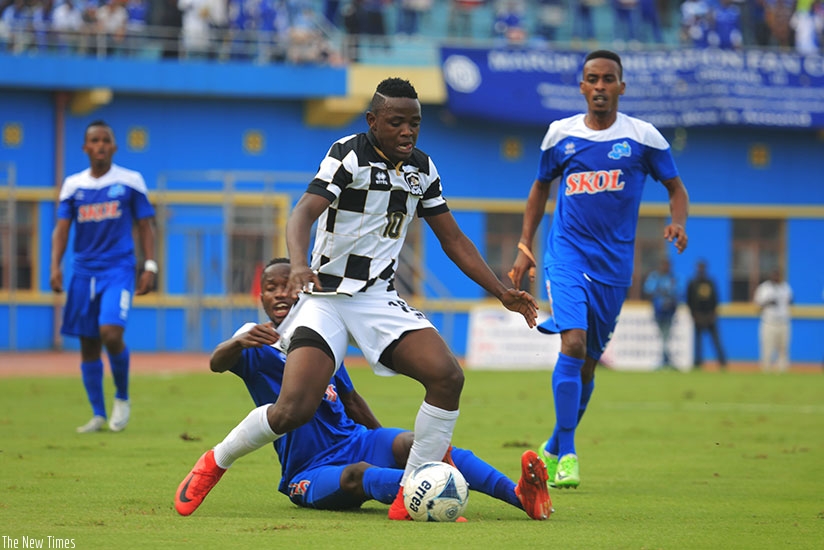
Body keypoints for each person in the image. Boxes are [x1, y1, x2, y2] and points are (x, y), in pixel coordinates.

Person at [174, 77, 539, 520]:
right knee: (294, 409)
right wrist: (297, 265)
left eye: (415, 124)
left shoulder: (423, 169)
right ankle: (214, 462)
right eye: (397, 122)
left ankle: (411, 493)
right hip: (324, 297)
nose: (408, 132)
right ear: (373, 121)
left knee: (447, 377)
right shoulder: (347, 153)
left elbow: (453, 238)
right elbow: (302, 212)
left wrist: (501, 291)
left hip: (377, 300)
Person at [175, 258, 551, 520]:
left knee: (419, 445)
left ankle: (520, 496)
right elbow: (217, 362)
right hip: (308, 468)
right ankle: (424, 496)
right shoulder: (253, 340)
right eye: (270, 288)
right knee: (359, 474)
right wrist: (236, 344)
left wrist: (384, 439)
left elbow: (351, 400)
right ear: (261, 297)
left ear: (303, 291)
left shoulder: (322, 339)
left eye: (287, 287)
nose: (280, 295)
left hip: (355, 440)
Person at [508, 50, 689, 490]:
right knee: (573, 344)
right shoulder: (559, 136)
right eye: (593, 79)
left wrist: (678, 221)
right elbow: (539, 188)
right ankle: (569, 453)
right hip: (566, 255)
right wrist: (524, 245)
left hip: (614, 268)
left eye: (610, 79)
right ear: (583, 86)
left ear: (621, 87)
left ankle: (553, 444)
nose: (601, 87)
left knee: (587, 367)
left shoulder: (644, 138)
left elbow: (675, 187)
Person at [50, 120, 157, 433]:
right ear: (85, 147)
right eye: (94, 140)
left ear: (113, 146)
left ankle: (122, 396)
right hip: (83, 271)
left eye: (105, 140)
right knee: (88, 343)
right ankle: (98, 414)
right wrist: (55, 265)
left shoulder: (130, 181)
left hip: (118, 269)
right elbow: (62, 229)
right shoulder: (73, 185)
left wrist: (149, 265)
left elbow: (145, 226)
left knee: (111, 332)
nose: (100, 145)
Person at [686, 259, 727, 370]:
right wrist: (693, 315)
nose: (701, 270)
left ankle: (722, 362)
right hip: (698, 316)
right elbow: (689, 300)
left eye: (703, 268)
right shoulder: (692, 283)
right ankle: (698, 363)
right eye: (699, 268)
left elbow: (715, 299)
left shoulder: (710, 282)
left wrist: (713, 314)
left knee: (716, 340)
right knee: (698, 342)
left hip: (710, 316)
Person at [753, 268, 793, 372]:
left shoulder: (785, 287)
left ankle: (782, 370)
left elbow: (791, 300)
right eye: (774, 275)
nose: (776, 278)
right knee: (767, 349)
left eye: (778, 275)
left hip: (783, 322)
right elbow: (757, 306)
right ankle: (766, 370)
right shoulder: (764, 288)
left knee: (783, 348)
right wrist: (768, 302)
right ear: (770, 276)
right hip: (769, 322)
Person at [643, 256, 679, 369]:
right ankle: (666, 360)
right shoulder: (655, 277)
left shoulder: (673, 278)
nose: (665, 267)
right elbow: (648, 290)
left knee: (666, 335)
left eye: (667, 265)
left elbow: (679, 292)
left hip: (670, 312)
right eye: (663, 265)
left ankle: (665, 360)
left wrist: (671, 299)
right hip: (658, 311)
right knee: (663, 335)